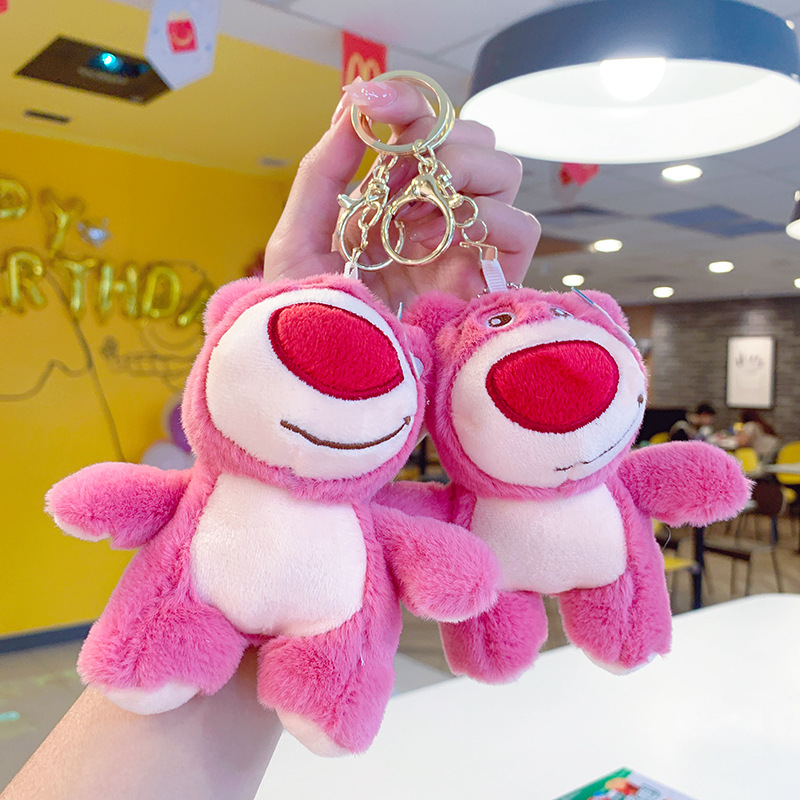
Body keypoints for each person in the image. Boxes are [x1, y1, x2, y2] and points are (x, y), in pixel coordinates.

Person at [1, 78, 540, 800]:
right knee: (171, 641)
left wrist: (390, 360)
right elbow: (117, 497)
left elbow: (446, 562)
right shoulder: (229, 457)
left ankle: (316, 685)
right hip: (207, 613)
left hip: (318, 610)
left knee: (317, 653)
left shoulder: (384, 415)